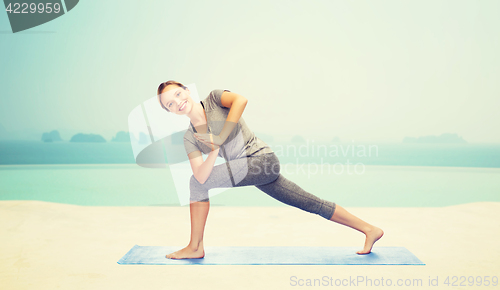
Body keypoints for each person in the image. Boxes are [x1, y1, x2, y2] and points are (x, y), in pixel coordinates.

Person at [156, 80, 384, 259]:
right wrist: (214, 150)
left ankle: (195, 247)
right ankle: (369, 229)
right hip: (253, 172)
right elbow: (201, 174)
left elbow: (241, 100)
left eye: (177, 94)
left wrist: (221, 136)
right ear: (171, 112)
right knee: (309, 202)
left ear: (186, 90)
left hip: (262, 161)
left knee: (195, 185)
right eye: (170, 104)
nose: (177, 102)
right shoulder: (190, 138)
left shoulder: (215, 99)